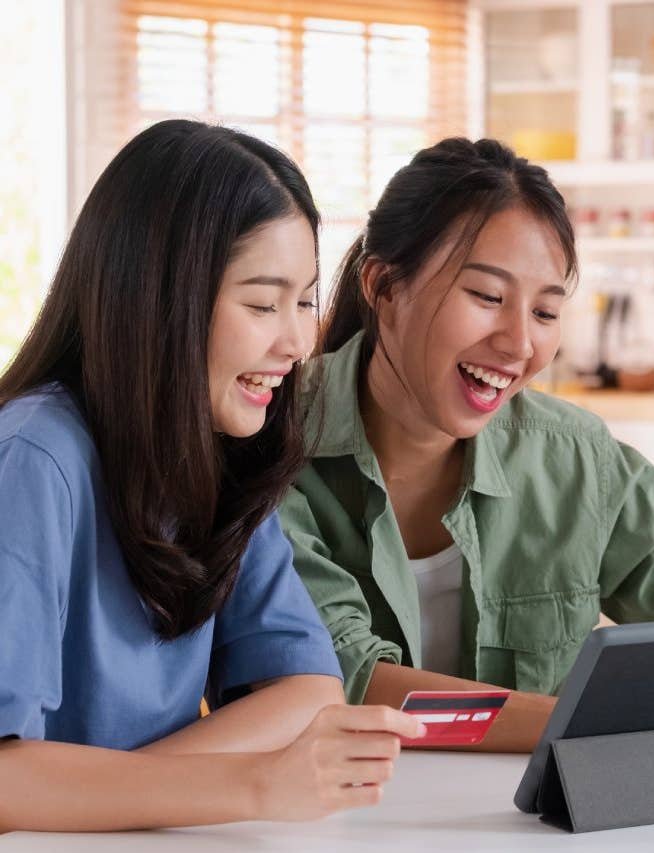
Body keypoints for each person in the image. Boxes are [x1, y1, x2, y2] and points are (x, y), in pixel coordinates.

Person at [278, 137, 654, 752]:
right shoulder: (271, 443)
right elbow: (345, 683)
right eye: (488, 297)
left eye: (546, 313)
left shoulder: (576, 458)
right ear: (384, 287)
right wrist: (584, 726)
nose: (519, 343)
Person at [0, 120, 424, 833]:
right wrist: (251, 784)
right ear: (158, 299)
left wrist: (132, 792)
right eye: (262, 303)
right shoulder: (33, 459)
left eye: (302, 301)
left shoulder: (221, 447)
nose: (295, 341)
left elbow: (309, 689)